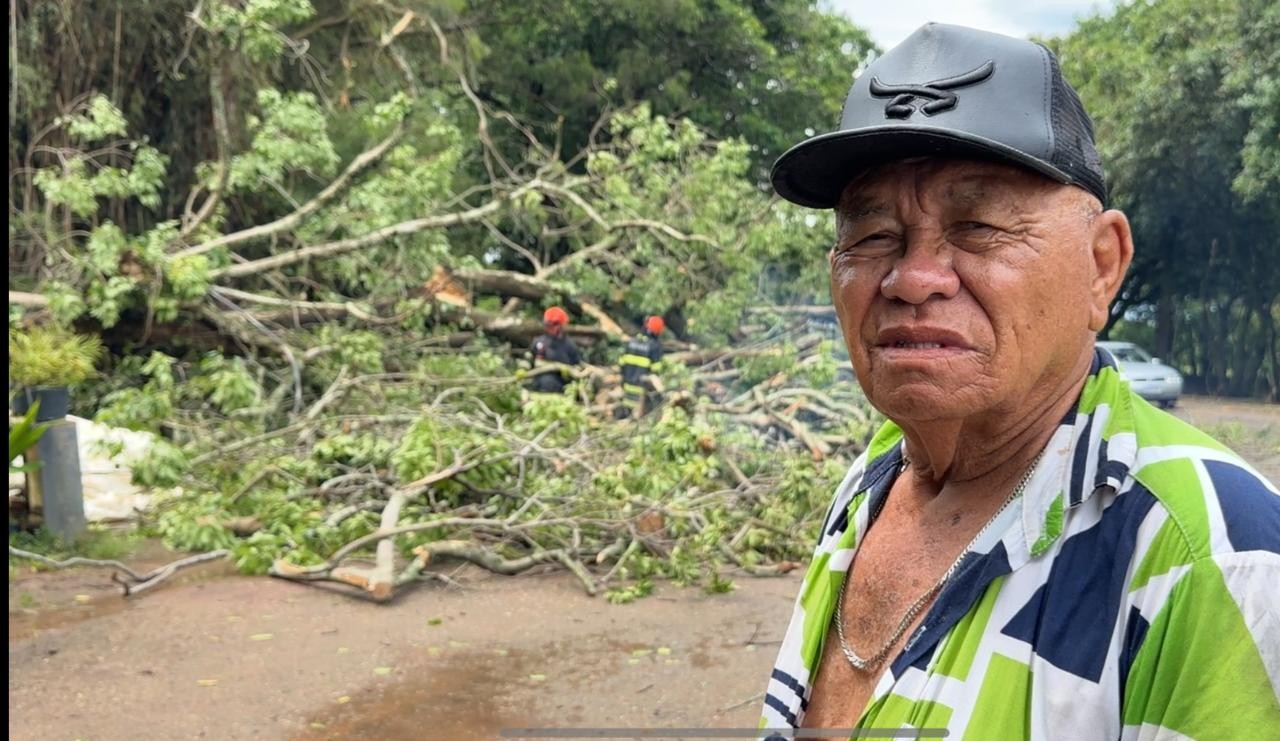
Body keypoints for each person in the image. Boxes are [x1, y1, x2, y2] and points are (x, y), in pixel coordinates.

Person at [760, 23, 1279, 739]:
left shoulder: (1210, 553)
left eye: (977, 227)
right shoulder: (866, 484)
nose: (911, 278)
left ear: (1102, 266)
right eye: (874, 234)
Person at [615, 315, 665, 419]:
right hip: (641, 394)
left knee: (626, 415)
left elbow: (621, 364)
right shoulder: (654, 347)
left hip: (627, 389)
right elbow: (655, 372)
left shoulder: (631, 342)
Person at [527, 306, 580, 394]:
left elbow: (576, 367)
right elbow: (530, 364)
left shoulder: (570, 346)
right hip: (539, 385)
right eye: (547, 325)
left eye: (553, 325)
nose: (550, 328)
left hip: (560, 388)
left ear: (560, 326)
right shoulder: (538, 342)